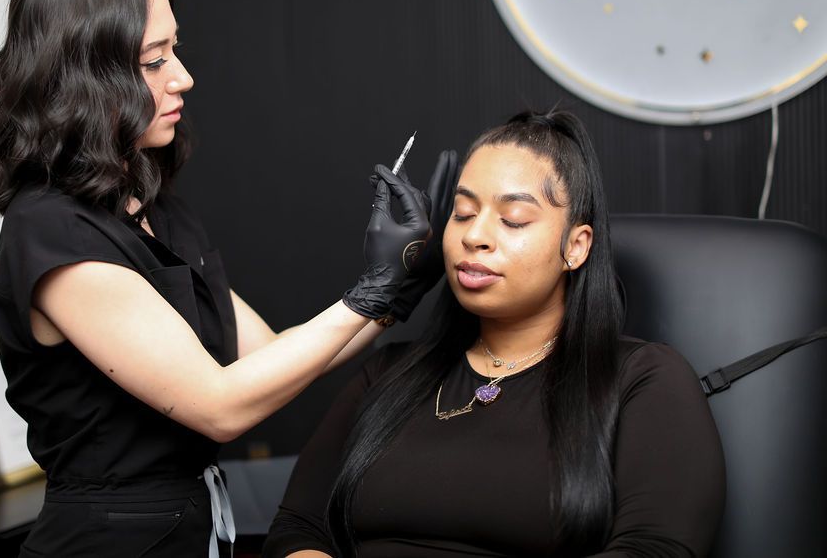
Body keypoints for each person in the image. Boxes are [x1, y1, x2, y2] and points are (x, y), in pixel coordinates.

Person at [0, 0, 456, 558]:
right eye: (154, 61)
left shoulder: (156, 209)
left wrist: (404, 283)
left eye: (174, 50)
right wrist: (375, 290)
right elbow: (220, 405)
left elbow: (271, 359)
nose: (182, 77)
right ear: (85, 78)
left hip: (192, 528)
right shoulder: (53, 231)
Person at [264, 110, 727, 558]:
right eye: (462, 214)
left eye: (513, 220)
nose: (475, 236)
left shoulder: (642, 379)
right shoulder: (389, 374)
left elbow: (655, 547)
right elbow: (298, 528)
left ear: (576, 245)